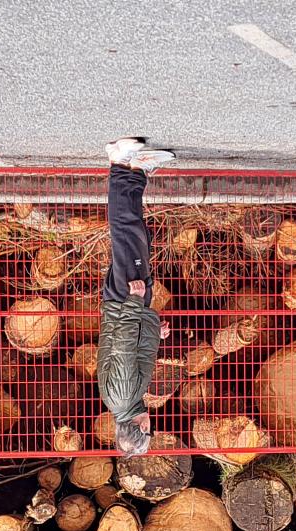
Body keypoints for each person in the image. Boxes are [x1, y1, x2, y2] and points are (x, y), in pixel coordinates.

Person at [97, 136, 176, 456]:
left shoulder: (126, 395)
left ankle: (119, 163)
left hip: (124, 302)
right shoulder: (123, 400)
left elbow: (122, 346)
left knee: (126, 232)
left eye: (149, 428)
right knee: (137, 236)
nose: (151, 423)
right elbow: (136, 353)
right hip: (124, 306)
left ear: (142, 426)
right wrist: (155, 331)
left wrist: (132, 303)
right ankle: (136, 174)